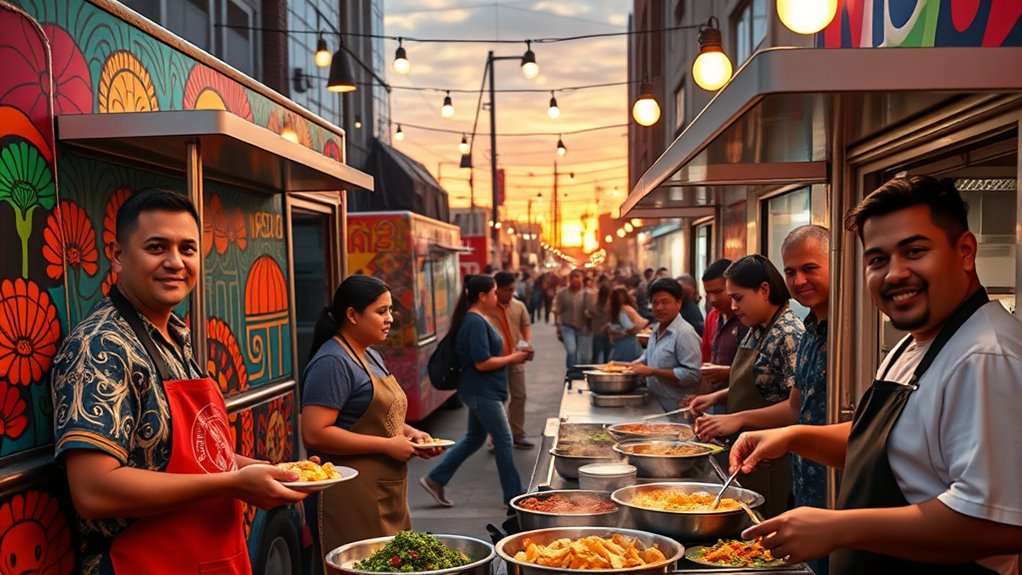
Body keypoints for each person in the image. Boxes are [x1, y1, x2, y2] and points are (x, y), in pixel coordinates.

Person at [733, 176, 1022, 573]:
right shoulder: (912, 344)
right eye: (877, 259)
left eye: (915, 251)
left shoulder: (986, 355)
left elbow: (997, 523)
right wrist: (792, 436)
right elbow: (884, 442)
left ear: (965, 251)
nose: (894, 274)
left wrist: (839, 527)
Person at [50, 189, 307, 575]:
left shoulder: (175, 335)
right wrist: (233, 484)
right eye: (157, 247)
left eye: (187, 249)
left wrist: (275, 471)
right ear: (118, 255)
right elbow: (93, 490)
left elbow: (197, 458)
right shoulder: (101, 346)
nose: (175, 262)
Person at [301, 275, 440, 558]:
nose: (390, 318)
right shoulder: (333, 362)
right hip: (349, 496)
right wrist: (387, 445)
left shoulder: (371, 354)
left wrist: (409, 433)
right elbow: (315, 432)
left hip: (385, 490)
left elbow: (377, 414)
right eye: (381, 311)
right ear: (352, 315)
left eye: (390, 310)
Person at [689, 254, 804, 517]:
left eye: (738, 298)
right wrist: (716, 397)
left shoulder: (788, 333)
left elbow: (793, 408)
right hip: (746, 452)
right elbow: (759, 384)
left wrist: (737, 419)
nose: (733, 306)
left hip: (771, 462)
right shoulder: (757, 327)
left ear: (764, 290)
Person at [421, 275, 529, 507]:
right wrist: (513, 358)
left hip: (482, 389)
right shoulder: (474, 322)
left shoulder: (478, 319)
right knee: (503, 439)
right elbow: (482, 362)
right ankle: (513, 495)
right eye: (492, 293)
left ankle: (436, 479)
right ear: (482, 296)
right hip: (482, 391)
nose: (495, 297)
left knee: (474, 438)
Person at [627, 278, 702, 413]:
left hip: (677, 410)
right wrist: (629, 366)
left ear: (679, 303)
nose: (659, 308)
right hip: (656, 405)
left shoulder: (684, 333)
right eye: (655, 303)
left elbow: (693, 374)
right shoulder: (656, 329)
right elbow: (647, 358)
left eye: (665, 302)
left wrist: (653, 371)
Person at [486, 271, 535, 449]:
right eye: (508, 290)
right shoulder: (487, 310)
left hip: (516, 358)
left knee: (519, 395)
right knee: (497, 400)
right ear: (497, 290)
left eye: (513, 289)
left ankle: (517, 433)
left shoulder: (518, 306)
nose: (511, 293)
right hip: (496, 360)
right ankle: (495, 437)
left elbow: (526, 325)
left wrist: (527, 342)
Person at [699, 259, 749, 392]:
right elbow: (707, 360)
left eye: (718, 292)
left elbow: (757, 370)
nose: (712, 299)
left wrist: (729, 372)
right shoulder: (712, 317)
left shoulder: (747, 318)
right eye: (708, 293)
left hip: (739, 399)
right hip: (714, 398)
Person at [553, 270, 593, 368]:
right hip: (567, 326)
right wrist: (558, 327)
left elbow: (592, 309)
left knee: (585, 357)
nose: (575, 279)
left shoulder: (587, 293)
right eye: (573, 277)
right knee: (571, 351)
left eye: (577, 277)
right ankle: (571, 372)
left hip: (584, 327)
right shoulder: (562, 293)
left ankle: (583, 373)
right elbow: (557, 310)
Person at [607, 286, 648, 362]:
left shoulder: (623, 310)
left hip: (625, 345)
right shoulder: (620, 310)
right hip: (625, 345)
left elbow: (642, 323)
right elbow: (642, 323)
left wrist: (628, 332)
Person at [590, 281, 613, 363]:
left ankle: (593, 372)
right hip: (608, 332)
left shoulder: (596, 304)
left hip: (597, 331)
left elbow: (589, 312)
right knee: (607, 356)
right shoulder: (611, 304)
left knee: (596, 356)